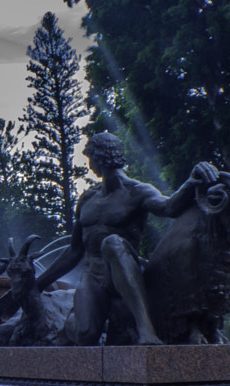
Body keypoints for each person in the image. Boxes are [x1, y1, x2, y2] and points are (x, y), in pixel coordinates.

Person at [32, 133, 211, 346]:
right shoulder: (87, 198)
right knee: (86, 333)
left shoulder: (138, 191)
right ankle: (71, 322)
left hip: (125, 271)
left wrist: (191, 183)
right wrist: (38, 284)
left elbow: (169, 207)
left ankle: (146, 329)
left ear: (100, 157)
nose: (90, 165)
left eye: (90, 158)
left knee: (112, 243)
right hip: (93, 276)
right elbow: (74, 251)